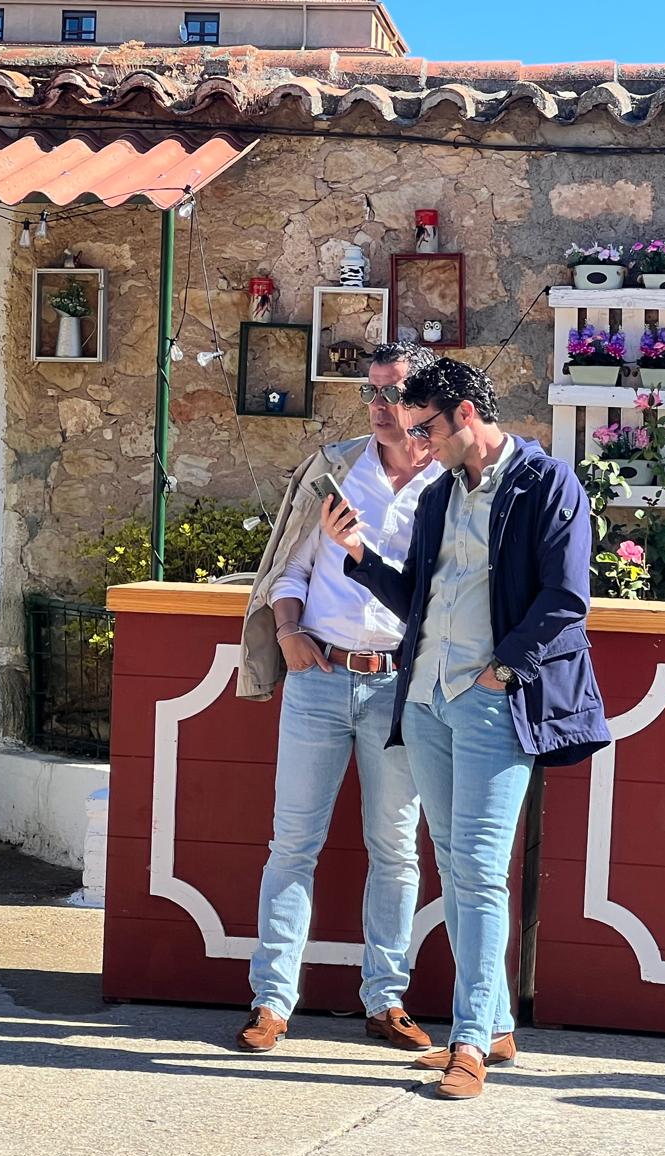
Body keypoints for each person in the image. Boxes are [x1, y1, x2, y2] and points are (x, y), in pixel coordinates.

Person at [319, 357, 610, 1099]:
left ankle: (470, 1042)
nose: (418, 444)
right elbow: (418, 594)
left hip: (491, 701)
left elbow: (566, 599)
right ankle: (498, 1023)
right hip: (422, 699)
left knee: (478, 871)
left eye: (427, 429)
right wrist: (357, 556)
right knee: (456, 867)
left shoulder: (547, 483)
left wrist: (502, 671)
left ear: (466, 416)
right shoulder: (440, 495)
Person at [233, 343, 443, 1054]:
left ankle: (385, 1000)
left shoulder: (450, 482)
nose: (381, 408)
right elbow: (287, 567)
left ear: (427, 400)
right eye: (372, 393)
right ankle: (272, 1002)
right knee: (292, 843)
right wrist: (288, 629)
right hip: (320, 675)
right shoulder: (335, 466)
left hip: (397, 682)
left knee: (395, 848)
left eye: (395, 393)